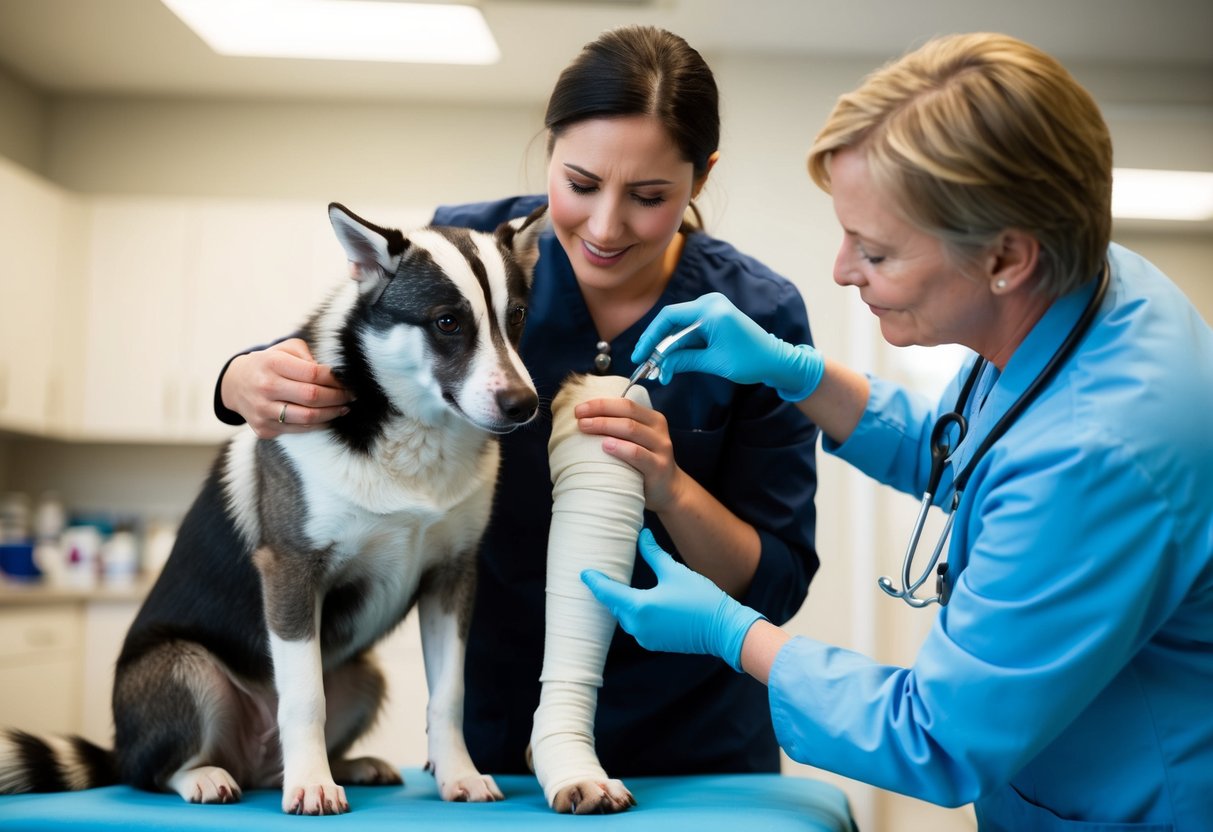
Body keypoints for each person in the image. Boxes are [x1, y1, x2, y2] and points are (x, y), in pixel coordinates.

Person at [582, 32, 1213, 830]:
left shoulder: (1101, 453)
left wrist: (726, 631)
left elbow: (933, 736)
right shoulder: (1087, 286)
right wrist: (796, 373)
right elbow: (966, 450)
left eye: (874, 251)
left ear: (1005, 258)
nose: (842, 270)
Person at [214, 25, 820, 777]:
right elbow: (323, 362)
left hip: (691, 740)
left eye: (649, 196)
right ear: (549, 150)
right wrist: (239, 379)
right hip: (497, 736)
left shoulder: (755, 316)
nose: (603, 226)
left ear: (701, 178)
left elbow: (775, 583)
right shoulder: (469, 247)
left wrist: (669, 485)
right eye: (580, 183)